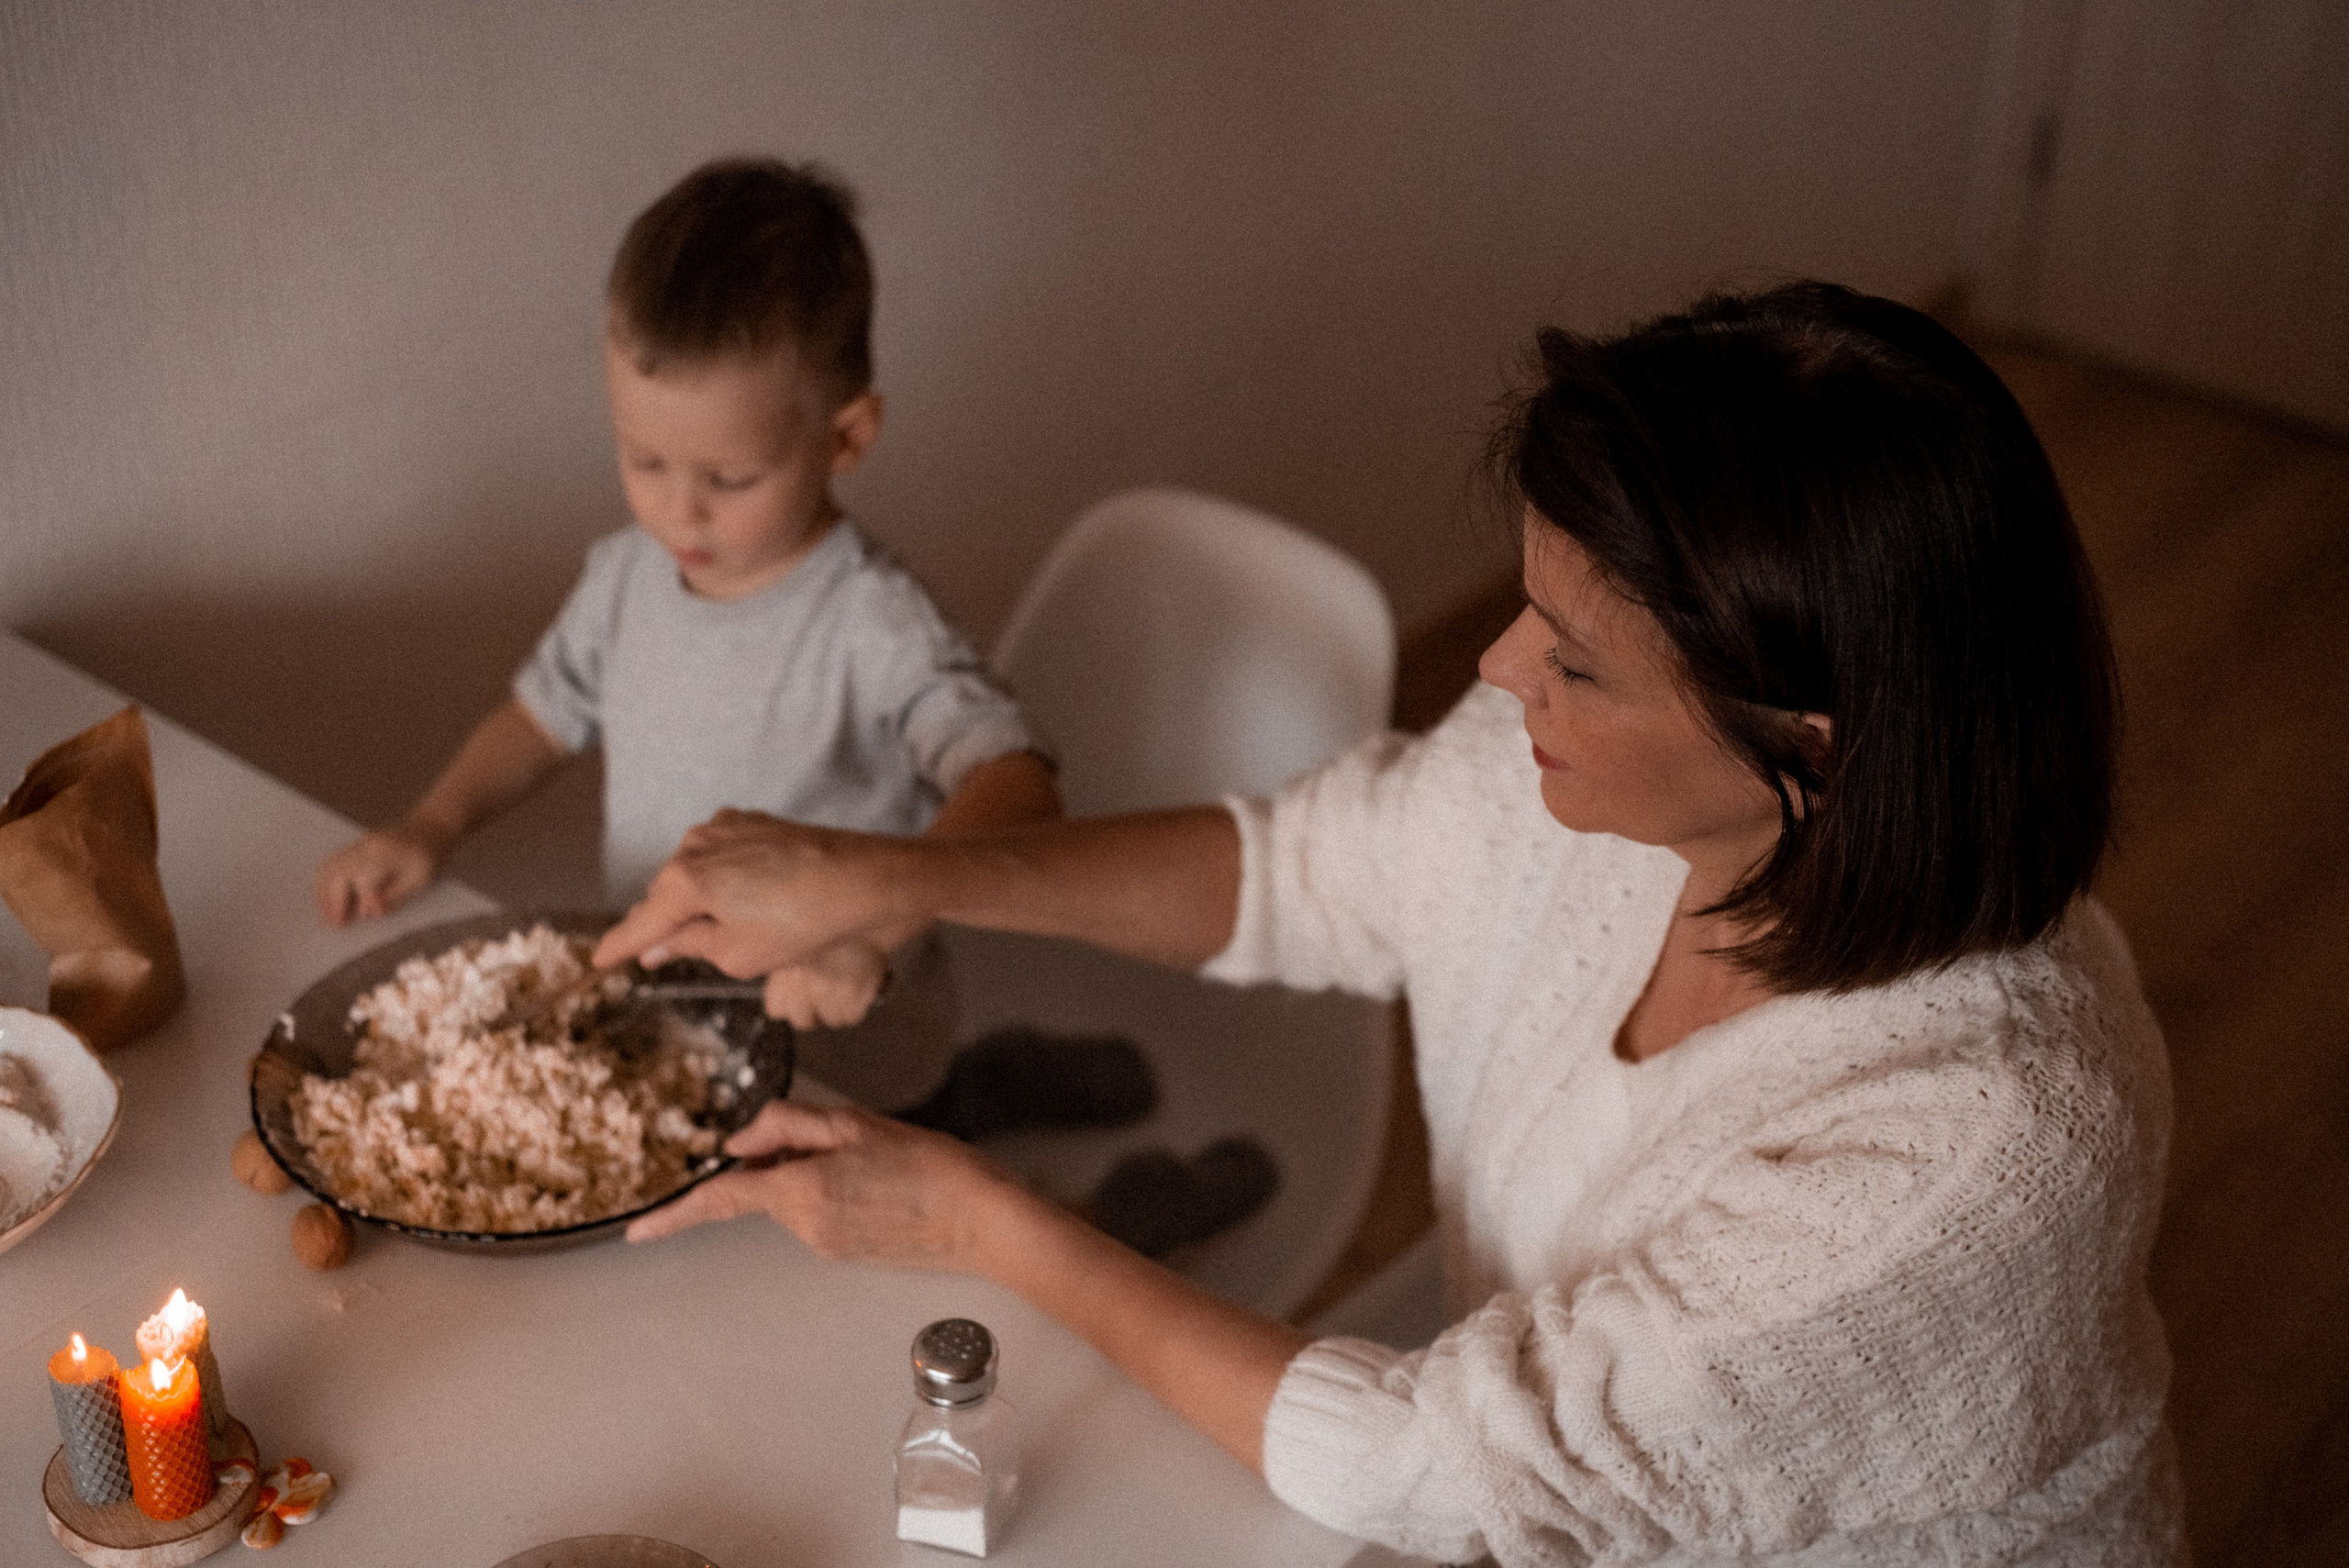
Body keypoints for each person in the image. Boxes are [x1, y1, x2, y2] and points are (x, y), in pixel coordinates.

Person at [593, 283, 2180, 1566]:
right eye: (1529, 605)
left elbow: (1442, 1466)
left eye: (1576, 658)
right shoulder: (1611, 793)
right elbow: (1297, 868)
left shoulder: (1982, 1143)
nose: (1498, 670)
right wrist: (895, 874)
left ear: (1812, 742)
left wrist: (974, 1220)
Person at [314, 158, 1059, 1033]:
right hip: (674, 1017)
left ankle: (1026, 1101)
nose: (679, 508)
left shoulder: (872, 620)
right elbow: (540, 716)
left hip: (842, 1038)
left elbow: (1019, 781)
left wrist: (870, 936)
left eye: (731, 477)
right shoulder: (626, 575)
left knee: (929, 1145)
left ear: (845, 436)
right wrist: (434, 822)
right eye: (646, 460)